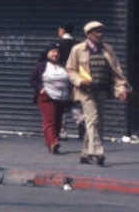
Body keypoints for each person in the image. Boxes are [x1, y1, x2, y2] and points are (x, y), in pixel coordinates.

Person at [66, 20, 129, 167]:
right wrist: (80, 81)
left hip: (102, 90)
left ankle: (85, 154)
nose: (100, 35)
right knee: (92, 120)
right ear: (88, 34)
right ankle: (97, 152)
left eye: (101, 32)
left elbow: (116, 71)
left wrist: (121, 89)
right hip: (86, 92)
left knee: (96, 122)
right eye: (96, 32)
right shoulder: (78, 49)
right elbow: (70, 69)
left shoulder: (107, 49)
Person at [34, 43, 73, 155]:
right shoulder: (41, 66)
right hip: (47, 96)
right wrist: (40, 88)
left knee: (58, 121)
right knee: (49, 121)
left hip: (61, 97)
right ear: (47, 53)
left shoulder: (63, 66)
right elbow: (32, 80)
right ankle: (54, 142)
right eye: (53, 52)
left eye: (57, 52)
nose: (55, 54)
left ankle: (50, 143)